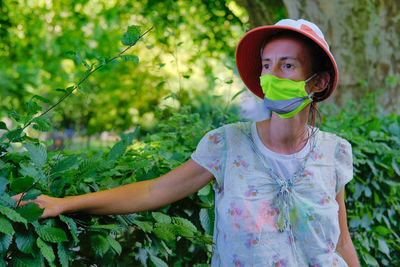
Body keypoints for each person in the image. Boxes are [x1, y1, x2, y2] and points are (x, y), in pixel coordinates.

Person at [14, 19, 360, 267]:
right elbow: (152, 192)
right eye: (266, 65)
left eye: (287, 65)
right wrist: (65, 203)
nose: (271, 76)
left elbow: (341, 241)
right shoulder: (228, 145)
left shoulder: (335, 153)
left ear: (317, 82)